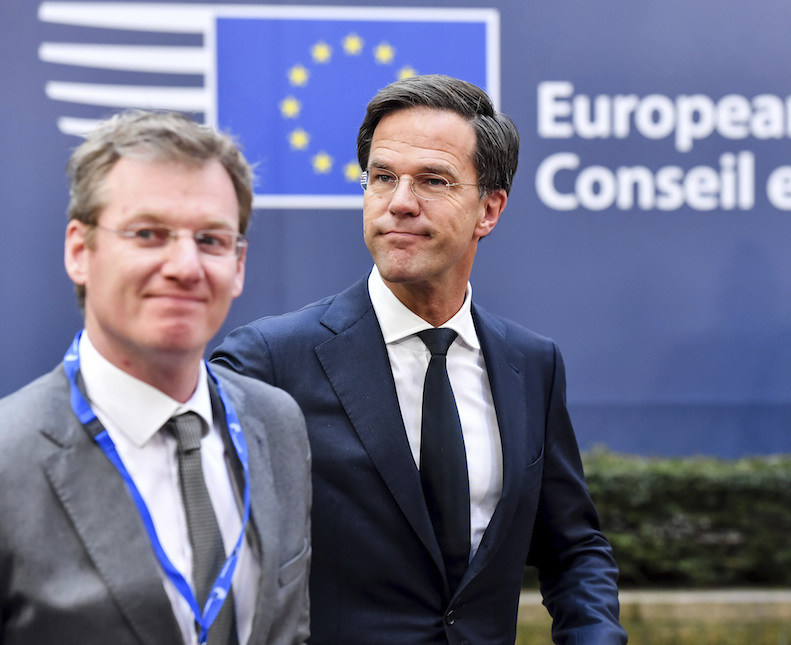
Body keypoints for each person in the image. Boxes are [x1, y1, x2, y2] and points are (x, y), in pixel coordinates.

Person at [212, 74, 627, 644]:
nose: (400, 203)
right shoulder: (269, 361)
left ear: (489, 210)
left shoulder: (530, 365)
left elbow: (574, 546)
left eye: (433, 180)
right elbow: (210, 559)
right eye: (383, 177)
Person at [0, 110, 312, 645]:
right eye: (149, 234)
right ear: (80, 251)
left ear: (238, 265)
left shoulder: (277, 423)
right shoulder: (10, 458)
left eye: (211, 240)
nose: (186, 266)